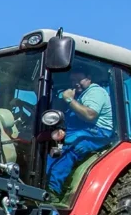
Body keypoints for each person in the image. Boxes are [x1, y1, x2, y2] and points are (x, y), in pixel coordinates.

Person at [46, 67, 114, 195]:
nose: (75, 83)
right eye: (72, 80)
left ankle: (52, 191)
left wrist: (69, 100)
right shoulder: (80, 94)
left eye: (79, 79)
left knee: (73, 146)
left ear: (88, 78)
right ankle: (42, 180)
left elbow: (89, 115)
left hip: (99, 132)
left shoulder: (95, 91)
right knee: (52, 143)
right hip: (82, 130)